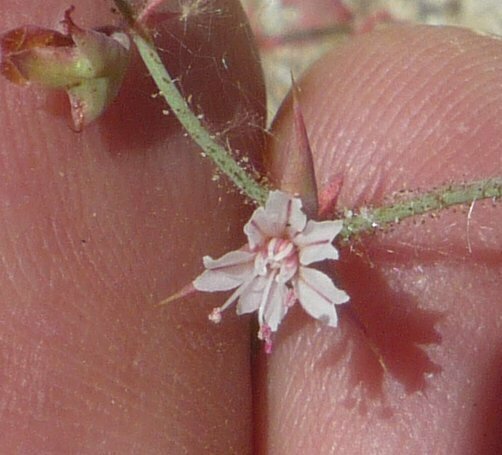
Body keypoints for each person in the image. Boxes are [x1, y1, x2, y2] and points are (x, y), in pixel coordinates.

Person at [0, 0, 500, 452]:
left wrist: (285, 247)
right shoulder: (288, 254)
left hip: (290, 237)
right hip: (292, 243)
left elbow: (283, 245)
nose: (277, 260)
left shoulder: (284, 241)